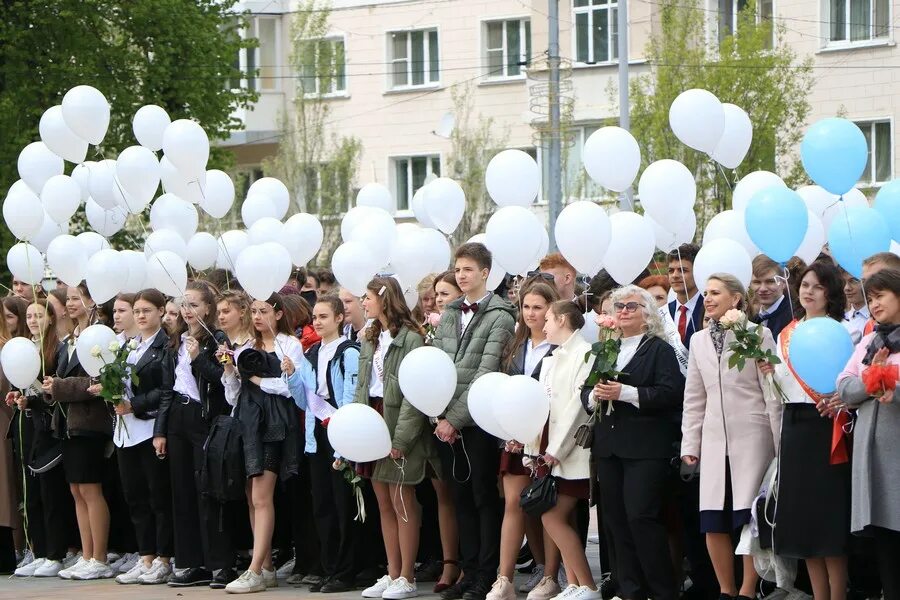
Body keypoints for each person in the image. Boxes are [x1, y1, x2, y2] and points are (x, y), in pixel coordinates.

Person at [681, 274, 782, 600]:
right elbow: (694, 397)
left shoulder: (758, 334)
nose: (707, 298)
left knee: (747, 516)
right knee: (712, 519)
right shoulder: (697, 341)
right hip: (713, 440)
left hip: (752, 436)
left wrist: (780, 443)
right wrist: (690, 444)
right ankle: (726, 590)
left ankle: (747, 589)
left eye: (715, 293)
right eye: (706, 293)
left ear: (736, 299)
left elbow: (771, 392)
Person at [584, 285, 684, 600]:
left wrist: (624, 393)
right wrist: (593, 397)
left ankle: (662, 591)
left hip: (646, 449)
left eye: (632, 305)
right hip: (610, 447)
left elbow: (671, 393)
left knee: (641, 517)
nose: (624, 310)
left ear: (647, 314)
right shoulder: (606, 348)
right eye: (619, 306)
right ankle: (631, 591)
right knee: (615, 522)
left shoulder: (659, 349)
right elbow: (585, 390)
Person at [432, 243, 516, 600]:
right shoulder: (451, 312)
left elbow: (485, 371)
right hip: (445, 421)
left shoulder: (501, 315)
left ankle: (486, 574)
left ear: (485, 273)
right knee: (460, 496)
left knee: (483, 496)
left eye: (468, 269)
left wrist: (454, 418)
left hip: (479, 420)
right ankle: (468, 572)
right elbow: (436, 364)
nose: (461, 275)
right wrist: (438, 412)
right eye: (457, 269)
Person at [765, 261, 850, 600]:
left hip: (828, 428)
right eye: (805, 285)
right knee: (806, 525)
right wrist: (768, 371)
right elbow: (779, 391)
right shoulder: (788, 333)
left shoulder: (840, 331)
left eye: (817, 286)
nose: (808, 291)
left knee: (829, 523)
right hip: (796, 428)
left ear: (830, 292)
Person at [351, 277, 438, 600]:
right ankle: (392, 571)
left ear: (385, 298)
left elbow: (413, 394)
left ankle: (407, 575)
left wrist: (400, 439)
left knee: (403, 501)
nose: (363, 302)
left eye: (368, 296)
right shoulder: (370, 336)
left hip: (398, 418)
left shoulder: (411, 339)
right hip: (373, 417)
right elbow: (363, 384)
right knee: (383, 502)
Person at [155, 281, 237, 589]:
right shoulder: (176, 339)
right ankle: (190, 562)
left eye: (193, 305)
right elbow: (167, 389)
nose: (187, 311)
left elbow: (224, 380)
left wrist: (198, 358)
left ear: (207, 308)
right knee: (182, 491)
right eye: (184, 305)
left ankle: (220, 563)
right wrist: (160, 429)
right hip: (179, 414)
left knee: (209, 491)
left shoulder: (217, 338)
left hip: (205, 419)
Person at [223, 293, 305, 594]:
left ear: (279, 314)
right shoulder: (246, 345)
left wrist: (257, 379)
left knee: (262, 495)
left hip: (273, 425)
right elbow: (233, 396)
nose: (258, 317)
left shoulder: (290, 345)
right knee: (251, 496)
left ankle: (255, 569)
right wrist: (231, 371)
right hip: (246, 423)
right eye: (254, 311)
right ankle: (266, 565)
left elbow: (290, 389)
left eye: (264, 311)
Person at [284, 295, 362, 593]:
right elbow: (305, 399)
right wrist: (292, 375)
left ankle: (346, 570)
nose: (317, 322)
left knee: (343, 504)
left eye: (324, 316)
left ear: (340, 318)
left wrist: (343, 444)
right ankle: (329, 569)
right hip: (317, 433)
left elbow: (351, 397)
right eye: (315, 317)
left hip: (340, 430)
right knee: (323, 506)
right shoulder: (312, 353)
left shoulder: (348, 352)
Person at [523, 300, 599, 600]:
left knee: (553, 515)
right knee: (554, 516)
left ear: (564, 319)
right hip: (549, 451)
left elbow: (577, 409)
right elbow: (540, 405)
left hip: (571, 451)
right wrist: (530, 446)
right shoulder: (552, 358)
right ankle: (579, 584)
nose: (543, 325)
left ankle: (587, 585)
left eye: (549, 320)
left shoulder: (584, 353)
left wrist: (555, 449)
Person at [488, 281, 559, 600]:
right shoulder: (516, 346)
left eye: (538, 307)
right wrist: (511, 431)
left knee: (547, 506)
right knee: (515, 503)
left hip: (547, 438)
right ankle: (504, 579)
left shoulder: (560, 348)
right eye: (526, 307)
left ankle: (550, 576)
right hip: (514, 439)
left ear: (551, 310)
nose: (531, 313)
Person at [99, 288, 174, 585]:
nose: (141, 316)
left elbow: (167, 388)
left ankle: (164, 557)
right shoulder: (128, 345)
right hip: (125, 431)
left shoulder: (165, 345)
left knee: (157, 496)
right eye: (138, 311)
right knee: (135, 497)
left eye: (147, 311)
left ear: (160, 312)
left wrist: (136, 404)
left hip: (149, 428)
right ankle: (145, 557)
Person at [836, 268, 900, 600]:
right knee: (885, 542)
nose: (874, 304)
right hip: (871, 457)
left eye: (881, 296)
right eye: (870, 298)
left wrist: (894, 386)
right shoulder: (868, 341)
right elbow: (844, 387)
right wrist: (874, 378)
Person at [45, 283, 115, 580]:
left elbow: (98, 382)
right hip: (68, 425)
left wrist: (58, 387)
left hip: (90, 423)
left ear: (91, 301)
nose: (70, 303)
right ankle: (86, 555)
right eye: (69, 298)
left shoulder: (98, 334)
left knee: (90, 488)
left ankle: (99, 556)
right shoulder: (72, 336)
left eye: (77, 298)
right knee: (76, 490)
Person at [8, 300, 74, 578]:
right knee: (32, 493)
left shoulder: (56, 349)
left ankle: (56, 553)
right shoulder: (25, 346)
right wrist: (20, 397)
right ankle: (40, 550)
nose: (34, 320)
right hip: (30, 425)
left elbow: (53, 392)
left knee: (51, 492)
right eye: (30, 315)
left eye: (39, 315)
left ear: (50, 318)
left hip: (50, 428)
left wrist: (35, 399)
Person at [667, 245, 705, 350]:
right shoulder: (664, 312)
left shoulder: (709, 307)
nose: (675, 275)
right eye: (671, 271)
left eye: (682, 270)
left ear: (697, 272)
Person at [749, 255, 792, 340]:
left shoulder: (793, 316)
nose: (763, 289)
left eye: (770, 282)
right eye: (757, 282)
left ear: (783, 282)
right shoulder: (753, 320)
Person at [842, 270, 869, 345]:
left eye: (854, 281)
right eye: (843, 282)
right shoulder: (840, 320)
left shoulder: (879, 318)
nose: (846, 288)